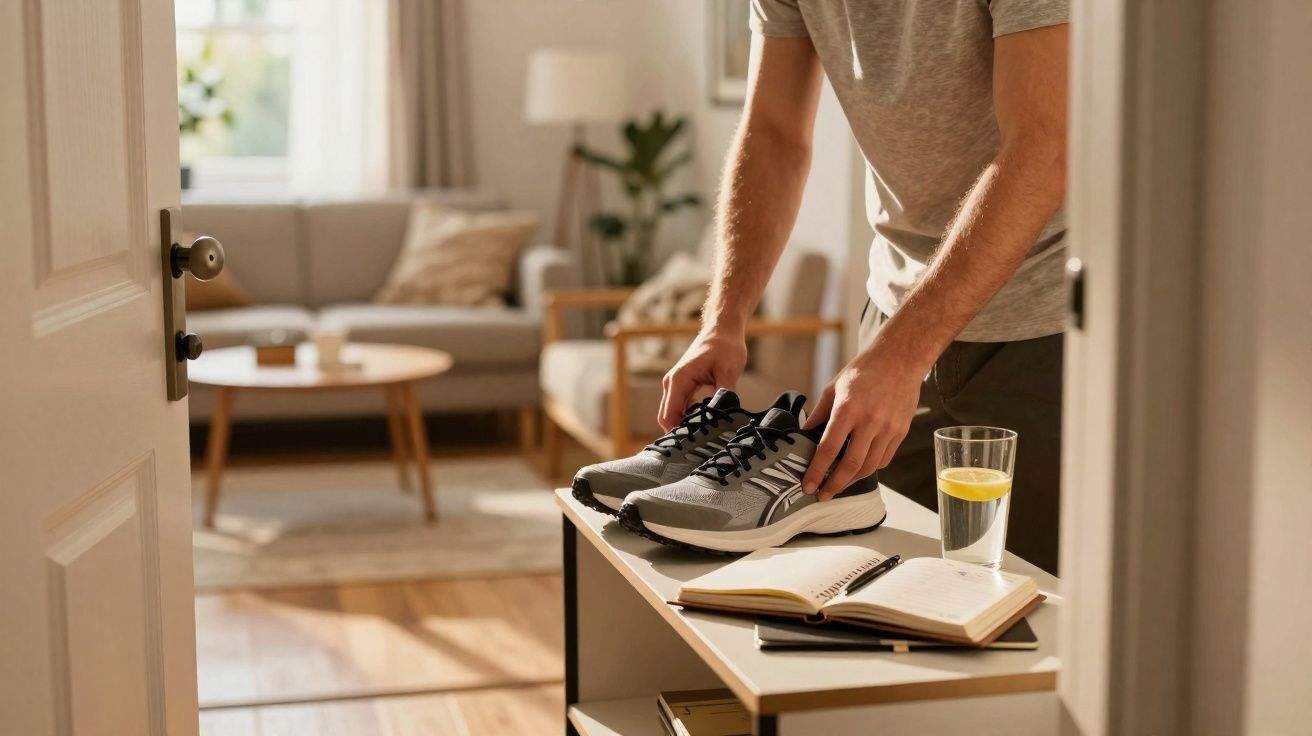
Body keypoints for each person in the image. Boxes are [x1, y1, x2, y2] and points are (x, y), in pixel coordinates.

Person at [658, 1, 1069, 573]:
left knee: (1039, 607)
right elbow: (773, 132)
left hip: (1049, 333)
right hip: (895, 319)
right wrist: (722, 321)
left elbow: (1044, 148)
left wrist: (901, 357)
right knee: (889, 587)